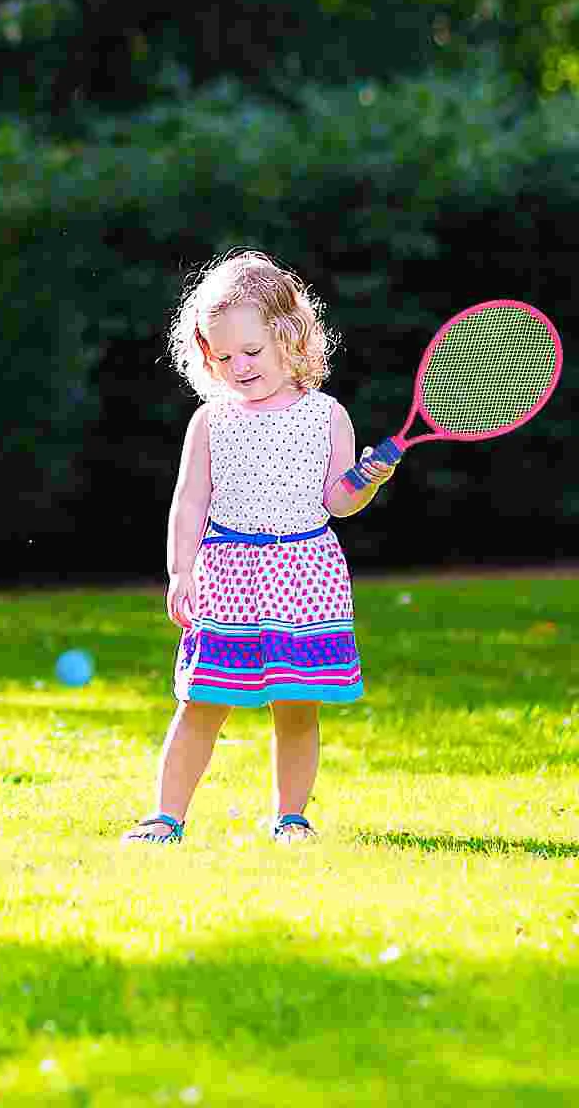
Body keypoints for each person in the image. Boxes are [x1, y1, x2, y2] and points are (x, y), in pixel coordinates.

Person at [121, 250, 394, 846]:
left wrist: (365, 480)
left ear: (289, 338)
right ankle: (165, 816)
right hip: (228, 574)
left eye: (251, 352)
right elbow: (189, 502)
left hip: (305, 572)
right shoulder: (210, 421)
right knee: (202, 701)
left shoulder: (327, 416)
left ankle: (291, 816)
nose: (238, 367)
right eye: (223, 356)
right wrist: (180, 570)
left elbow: (338, 501)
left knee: (297, 706)